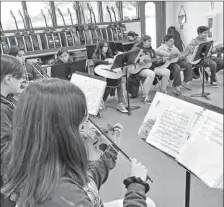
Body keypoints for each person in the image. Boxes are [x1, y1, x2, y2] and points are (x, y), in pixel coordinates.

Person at [1, 78, 155, 207]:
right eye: (82, 124)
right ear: (62, 132)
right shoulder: (60, 192)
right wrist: (136, 184)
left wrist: (111, 153)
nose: (88, 130)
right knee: (148, 202)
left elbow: (88, 184)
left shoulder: (45, 162)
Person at [1, 54, 25, 207]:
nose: (23, 81)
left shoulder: (6, 100)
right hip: (8, 185)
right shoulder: (2, 110)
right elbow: (4, 151)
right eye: (20, 78)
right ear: (8, 79)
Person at [131, 35, 170, 102]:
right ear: (143, 41)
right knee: (151, 74)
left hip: (151, 67)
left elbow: (154, 62)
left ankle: (163, 91)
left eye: (151, 41)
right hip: (139, 69)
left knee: (167, 71)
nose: (150, 43)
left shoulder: (151, 50)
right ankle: (145, 96)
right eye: (149, 41)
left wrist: (162, 61)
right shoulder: (137, 49)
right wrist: (139, 61)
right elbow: (130, 57)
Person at [92, 40, 128, 113]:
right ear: (100, 47)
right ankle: (101, 101)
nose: (106, 48)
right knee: (110, 82)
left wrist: (116, 57)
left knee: (118, 79)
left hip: (109, 72)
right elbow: (95, 61)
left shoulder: (109, 53)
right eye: (105, 46)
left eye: (107, 46)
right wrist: (106, 61)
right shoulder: (96, 54)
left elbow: (113, 60)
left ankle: (121, 103)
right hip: (100, 73)